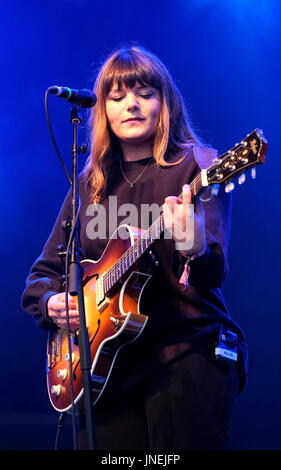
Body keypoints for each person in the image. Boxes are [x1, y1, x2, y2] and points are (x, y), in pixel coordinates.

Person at [21, 45, 247, 450]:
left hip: (185, 352)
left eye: (145, 93)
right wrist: (52, 302)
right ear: (103, 109)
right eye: (118, 96)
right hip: (106, 369)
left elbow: (214, 272)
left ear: (166, 103)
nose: (132, 105)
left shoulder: (198, 166)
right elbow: (43, 274)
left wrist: (194, 244)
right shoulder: (89, 185)